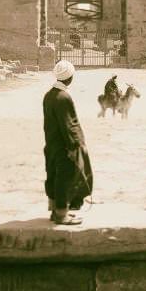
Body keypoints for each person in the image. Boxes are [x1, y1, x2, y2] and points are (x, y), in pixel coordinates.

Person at [43, 60, 93, 225]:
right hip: (64, 145)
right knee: (65, 177)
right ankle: (61, 214)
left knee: (54, 175)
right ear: (70, 78)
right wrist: (74, 146)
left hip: (52, 143)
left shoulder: (50, 94)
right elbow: (68, 125)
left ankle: (55, 210)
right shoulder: (63, 97)